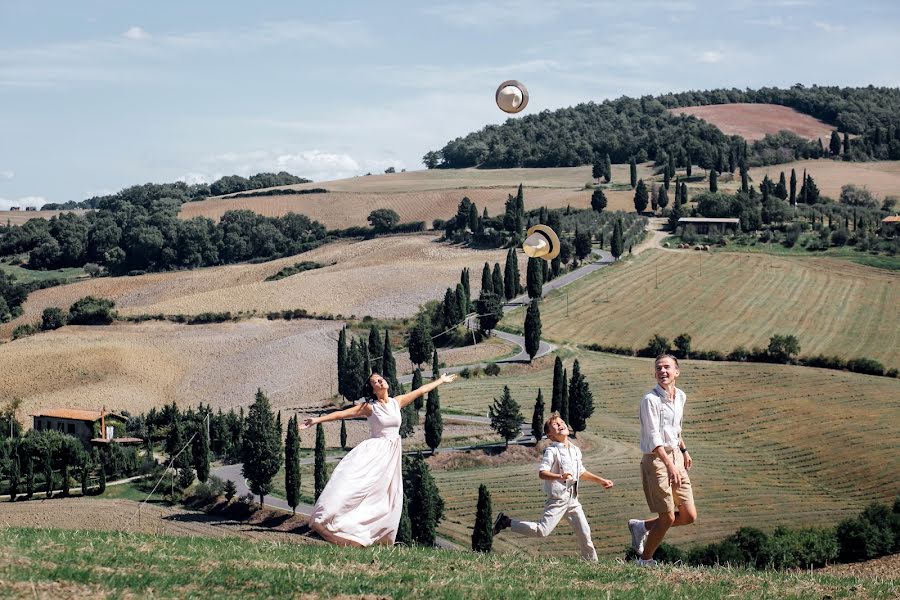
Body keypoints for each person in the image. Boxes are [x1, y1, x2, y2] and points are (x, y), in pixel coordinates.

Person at [299, 370, 457, 546]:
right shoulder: (370, 407)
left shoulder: (396, 402)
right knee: (355, 487)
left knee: (383, 497)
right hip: (373, 452)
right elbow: (342, 414)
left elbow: (420, 390)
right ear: (373, 389)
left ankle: (370, 535)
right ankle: (326, 519)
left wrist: (441, 381)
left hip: (390, 456)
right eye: (376, 382)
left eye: (381, 379)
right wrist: (316, 420)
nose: (380, 382)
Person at [491, 411, 614, 561]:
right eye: (555, 425)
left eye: (561, 422)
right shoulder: (552, 451)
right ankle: (507, 522)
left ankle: (593, 564)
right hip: (558, 499)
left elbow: (580, 471)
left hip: (573, 500)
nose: (560, 425)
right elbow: (542, 473)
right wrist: (559, 476)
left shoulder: (575, 450)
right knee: (542, 531)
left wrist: (601, 480)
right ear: (550, 436)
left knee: (585, 533)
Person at [628, 354, 697, 566]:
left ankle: (642, 527)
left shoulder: (681, 396)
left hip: (675, 455)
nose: (662, 371)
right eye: (658, 368)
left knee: (688, 516)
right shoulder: (650, 400)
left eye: (667, 367)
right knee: (667, 517)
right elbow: (653, 436)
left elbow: (675, 430)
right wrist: (669, 465)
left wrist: (684, 450)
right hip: (657, 460)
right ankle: (645, 560)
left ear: (677, 371)